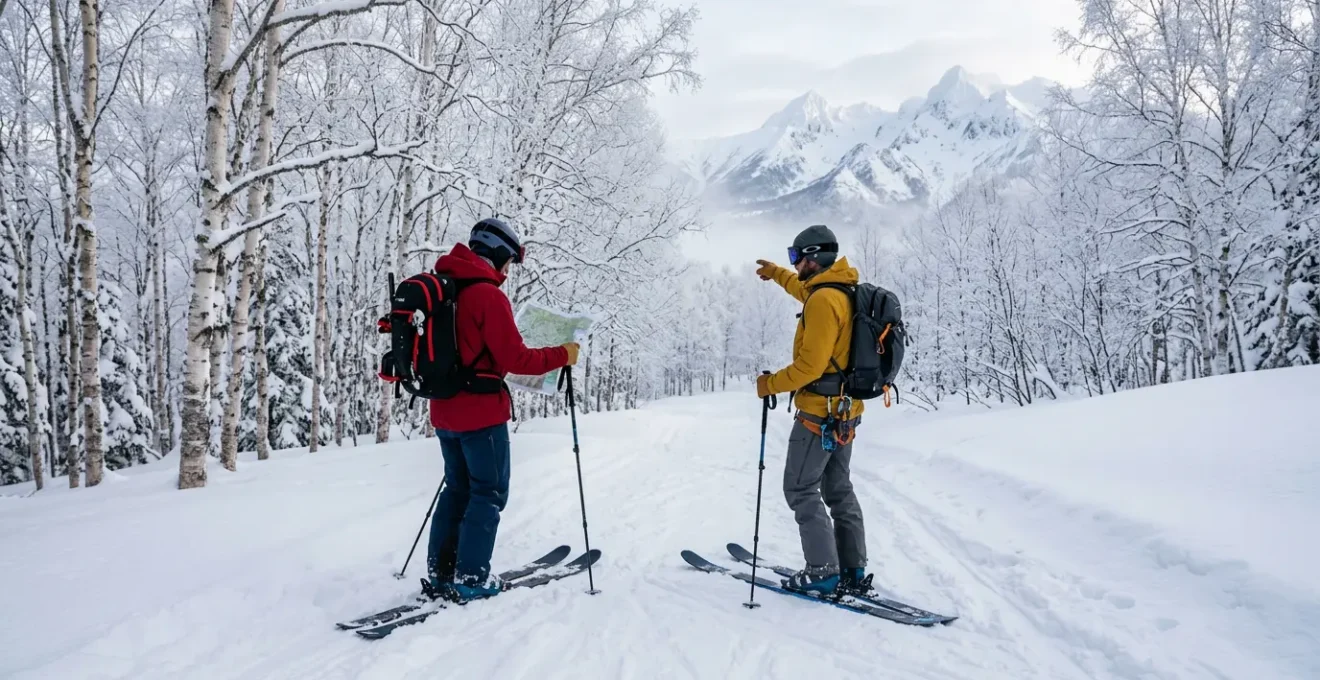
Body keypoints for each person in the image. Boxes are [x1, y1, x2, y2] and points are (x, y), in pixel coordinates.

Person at [424, 217, 579, 602]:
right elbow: (517, 358)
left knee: (456, 489)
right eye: (508, 262)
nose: (508, 272)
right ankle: (472, 578)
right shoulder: (487, 296)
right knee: (488, 493)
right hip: (481, 415)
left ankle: (441, 573)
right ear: (497, 254)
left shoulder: (443, 288)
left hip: (444, 412)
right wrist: (564, 354)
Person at [753, 224, 868, 596]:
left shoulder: (821, 301)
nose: (794, 263)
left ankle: (822, 571)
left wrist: (768, 385)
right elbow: (802, 289)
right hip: (846, 411)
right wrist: (776, 274)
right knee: (838, 488)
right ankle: (851, 568)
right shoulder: (842, 291)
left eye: (795, 257)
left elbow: (809, 367)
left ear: (812, 258)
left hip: (819, 413)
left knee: (800, 488)